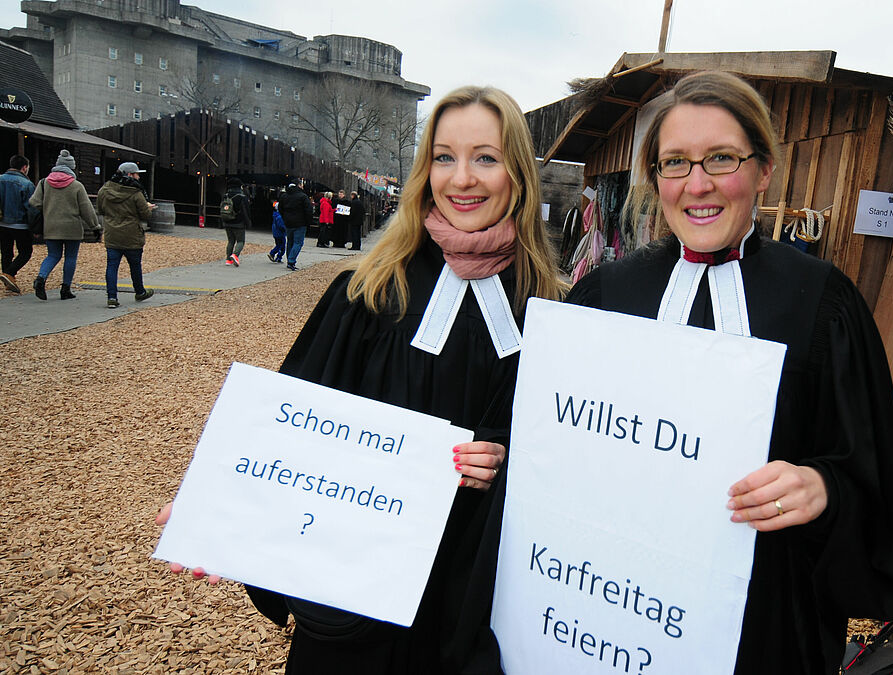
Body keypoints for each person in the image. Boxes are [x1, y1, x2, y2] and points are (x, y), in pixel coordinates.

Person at [158, 85, 566, 674]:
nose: (463, 179)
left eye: (486, 156)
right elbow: (292, 427)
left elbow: (567, 462)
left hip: (474, 588)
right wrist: (218, 510)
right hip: (356, 584)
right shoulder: (366, 294)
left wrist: (505, 463)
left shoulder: (553, 314)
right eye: (445, 157)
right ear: (425, 172)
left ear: (518, 174)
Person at [550, 71, 893, 673]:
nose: (698, 185)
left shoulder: (823, 305)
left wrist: (822, 488)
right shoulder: (603, 297)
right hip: (607, 612)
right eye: (675, 163)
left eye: (721, 158)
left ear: (763, 170)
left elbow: (870, 482)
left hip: (764, 628)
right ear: (655, 177)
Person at [29, 149, 98, 301]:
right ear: (71, 168)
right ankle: (65, 289)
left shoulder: (44, 183)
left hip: (51, 226)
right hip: (72, 227)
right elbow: (86, 209)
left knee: (53, 255)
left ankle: (41, 278)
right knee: (70, 257)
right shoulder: (76, 185)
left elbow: (34, 202)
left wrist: (48, 210)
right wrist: (95, 227)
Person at [96, 162, 157, 308]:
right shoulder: (136, 193)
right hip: (132, 234)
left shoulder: (105, 189)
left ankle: (112, 297)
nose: (139, 177)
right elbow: (145, 215)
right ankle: (140, 291)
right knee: (135, 265)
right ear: (130, 175)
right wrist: (149, 208)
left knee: (112, 266)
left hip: (112, 233)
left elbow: (101, 210)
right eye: (137, 174)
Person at [0, 154, 36, 293]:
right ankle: (9, 273)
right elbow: (31, 207)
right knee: (26, 252)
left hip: (2, 222)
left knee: (6, 251)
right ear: (24, 167)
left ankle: (8, 279)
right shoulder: (27, 184)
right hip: (20, 224)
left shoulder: (1, 179)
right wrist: (35, 226)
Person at [277, 183, 312, 271]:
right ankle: (291, 260)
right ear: (298, 186)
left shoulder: (284, 196)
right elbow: (308, 210)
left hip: (288, 222)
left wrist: (285, 217)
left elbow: (280, 208)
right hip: (300, 222)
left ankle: (289, 259)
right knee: (298, 242)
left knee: (290, 241)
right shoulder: (303, 196)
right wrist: (308, 222)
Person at [221, 178, 250, 266]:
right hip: (238, 222)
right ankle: (235, 255)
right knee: (240, 241)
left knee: (230, 241)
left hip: (227, 221)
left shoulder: (225, 196)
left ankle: (228, 260)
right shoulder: (242, 197)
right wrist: (248, 222)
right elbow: (246, 211)